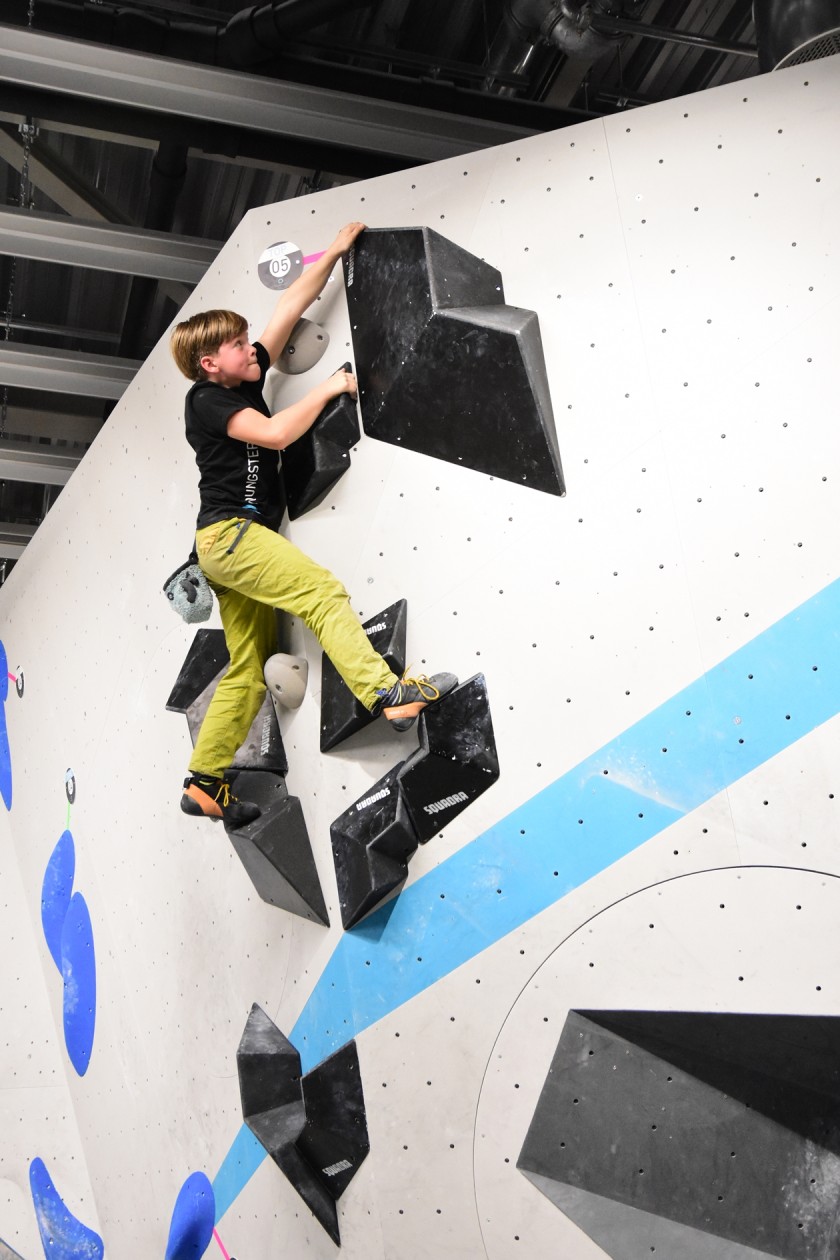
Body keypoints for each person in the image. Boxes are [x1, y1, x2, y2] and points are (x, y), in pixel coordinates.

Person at [170, 222, 455, 827]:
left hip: (226, 548)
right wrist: (328, 388)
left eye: (250, 340)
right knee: (322, 594)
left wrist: (334, 249)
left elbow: (291, 301)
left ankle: (205, 779)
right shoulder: (208, 401)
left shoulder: (242, 376)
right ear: (208, 363)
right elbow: (274, 434)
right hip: (232, 537)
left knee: (247, 668)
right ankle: (387, 695)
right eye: (239, 345)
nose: (253, 348)